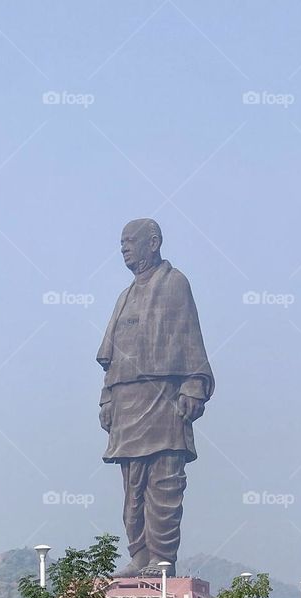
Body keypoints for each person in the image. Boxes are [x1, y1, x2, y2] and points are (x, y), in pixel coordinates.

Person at [97, 218, 213, 576]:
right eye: (121, 243)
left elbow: (191, 337)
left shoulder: (175, 284)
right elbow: (110, 358)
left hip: (163, 399)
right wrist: (106, 399)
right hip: (127, 401)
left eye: (130, 241)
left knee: (164, 484)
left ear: (154, 242)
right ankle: (139, 555)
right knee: (132, 493)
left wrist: (193, 385)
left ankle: (162, 559)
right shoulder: (125, 295)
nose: (124, 248)